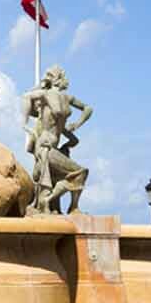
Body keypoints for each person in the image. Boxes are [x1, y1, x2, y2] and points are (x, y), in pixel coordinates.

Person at [21, 65, 93, 214]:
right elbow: (26, 97)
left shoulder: (67, 97)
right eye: (60, 76)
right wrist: (25, 124)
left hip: (53, 146)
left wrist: (76, 125)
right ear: (57, 79)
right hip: (45, 145)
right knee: (80, 172)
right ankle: (67, 206)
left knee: (77, 173)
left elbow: (88, 109)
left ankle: (66, 206)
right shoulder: (46, 94)